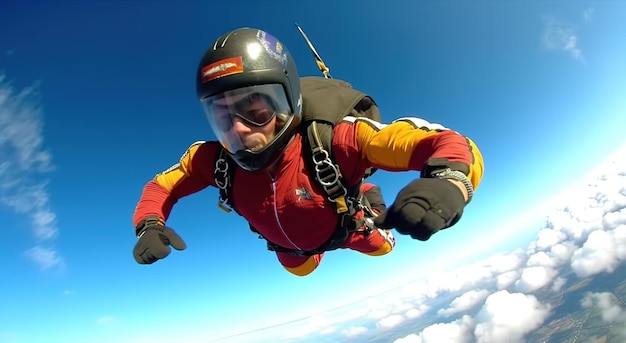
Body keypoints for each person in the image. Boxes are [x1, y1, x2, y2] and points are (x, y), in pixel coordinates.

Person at [132, 27, 485, 276]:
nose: (238, 128)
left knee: (385, 249)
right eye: (222, 117)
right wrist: (148, 224)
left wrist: (450, 181)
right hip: (290, 249)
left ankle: (365, 197)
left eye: (255, 112)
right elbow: (160, 187)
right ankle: (353, 198)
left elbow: (445, 141)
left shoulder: (338, 140)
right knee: (300, 272)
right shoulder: (212, 161)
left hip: (349, 229)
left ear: (290, 102)